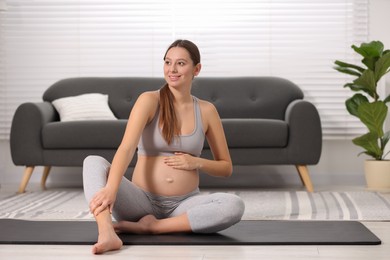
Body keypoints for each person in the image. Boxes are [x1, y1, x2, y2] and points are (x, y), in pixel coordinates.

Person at [83, 39, 245, 254]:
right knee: (92, 162)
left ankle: (153, 228)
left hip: (184, 204)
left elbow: (226, 168)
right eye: (168, 62)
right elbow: (126, 148)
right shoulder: (149, 100)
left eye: (180, 63)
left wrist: (196, 162)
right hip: (140, 202)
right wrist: (111, 189)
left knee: (234, 205)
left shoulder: (207, 111)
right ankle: (106, 232)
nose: (172, 69)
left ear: (196, 69)